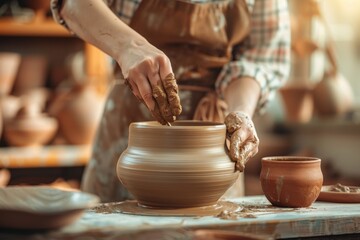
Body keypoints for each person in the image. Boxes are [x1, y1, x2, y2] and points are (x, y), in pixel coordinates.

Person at [51, 0, 290, 202]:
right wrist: (128, 46)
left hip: (214, 146)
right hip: (128, 135)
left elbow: (259, 57)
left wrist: (241, 111)